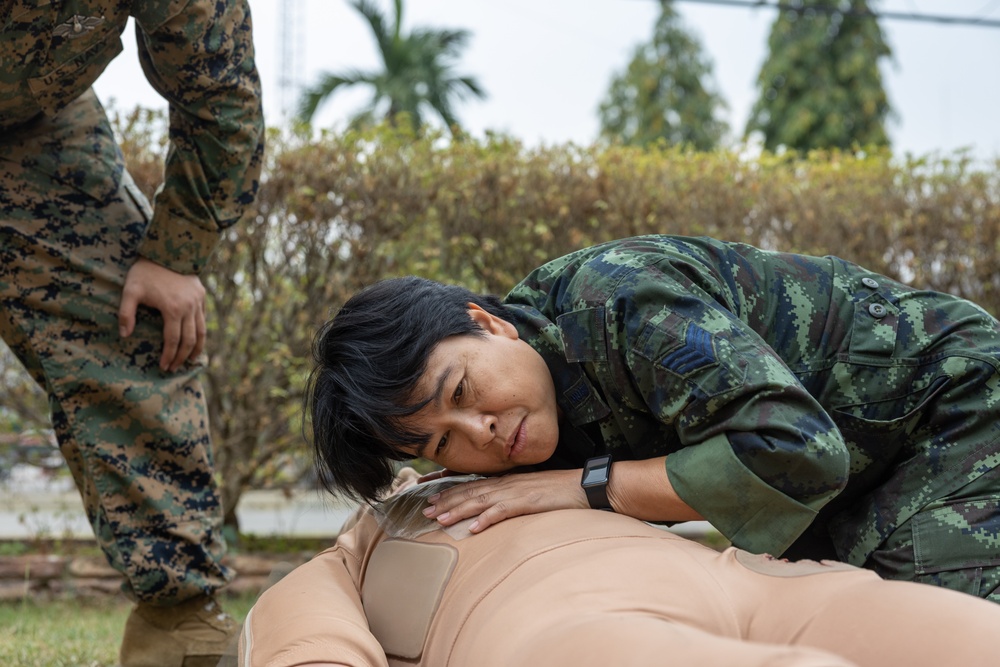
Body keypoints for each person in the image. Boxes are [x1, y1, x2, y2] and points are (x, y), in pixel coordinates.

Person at [307, 235, 1000, 604]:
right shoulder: (527, 432)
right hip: (857, 475)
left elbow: (800, 450)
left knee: (946, 629)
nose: (478, 433)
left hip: (954, 405)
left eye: (461, 390)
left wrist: (583, 485)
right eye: (442, 443)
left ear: (490, 324)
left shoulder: (619, 305)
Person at [0, 3, 264, 665]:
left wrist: (177, 252)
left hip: (31, 120)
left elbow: (219, 87)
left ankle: (179, 623)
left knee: (132, 320)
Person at [239, 471, 1000, 667]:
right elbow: (301, 612)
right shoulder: (374, 526)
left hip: (755, 584)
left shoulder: (580, 466)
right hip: (555, 623)